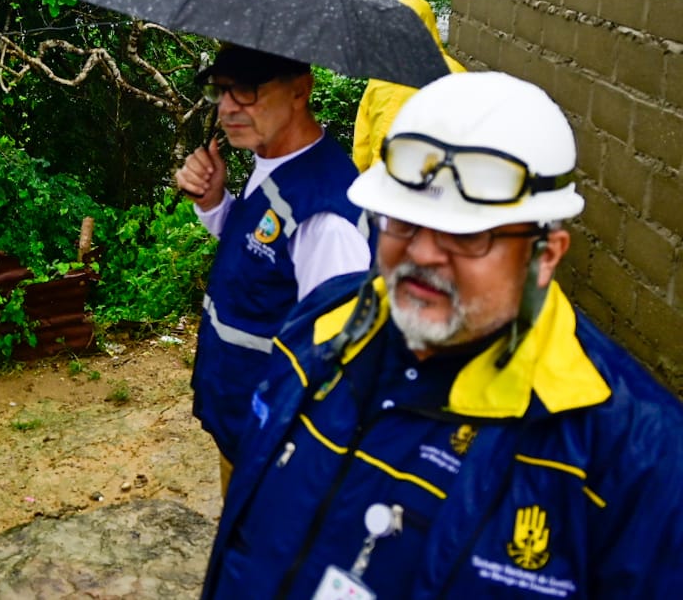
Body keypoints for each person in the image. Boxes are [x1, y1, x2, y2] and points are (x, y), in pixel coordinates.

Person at [202, 72, 683, 598]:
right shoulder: (321, 326)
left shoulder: (637, 461)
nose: (423, 254)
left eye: (468, 235)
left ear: (545, 256)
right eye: (403, 221)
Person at [175, 45, 371, 490]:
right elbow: (261, 252)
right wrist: (213, 204)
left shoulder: (326, 220)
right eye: (221, 90)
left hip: (276, 447)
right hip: (243, 424)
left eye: (246, 91)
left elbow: (337, 360)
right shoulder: (274, 161)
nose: (227, 108)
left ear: (300, 91)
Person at [352, 0, 466, 172]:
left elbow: (362, 140)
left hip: (378, 178)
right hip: (429, 180)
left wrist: (360, 175)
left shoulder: (381, 75)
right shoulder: (456, 76)